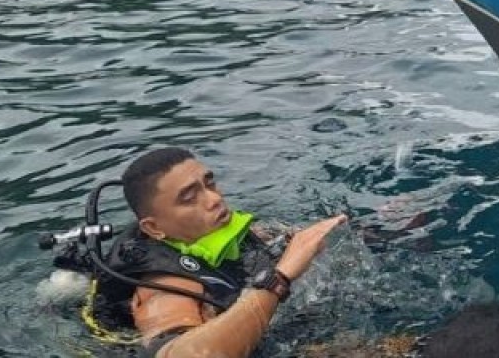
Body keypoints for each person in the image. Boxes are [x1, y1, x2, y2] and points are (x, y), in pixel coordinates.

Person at [89, 147, 345, 357]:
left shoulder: (228, 232)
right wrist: (280, 277)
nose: (213, 199)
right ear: (154, 228)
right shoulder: (162, 285)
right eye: (189, 198)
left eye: (209, 183)